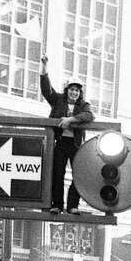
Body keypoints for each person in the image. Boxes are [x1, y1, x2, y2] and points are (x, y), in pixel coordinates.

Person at [38, 53, 95, 214]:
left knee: (79, 174)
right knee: (57, 174)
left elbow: (89, 116)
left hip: (76, 145)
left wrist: (70, 120)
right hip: (60, 143)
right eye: (72, 89)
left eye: (77, 90)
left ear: (80, 93)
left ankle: (72, 206)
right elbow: (46, 90)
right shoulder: (58, 100)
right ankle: (57, 205)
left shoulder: (84, 105)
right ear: (67, 90)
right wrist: (44, 68)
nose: (74, 93)